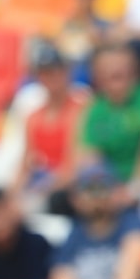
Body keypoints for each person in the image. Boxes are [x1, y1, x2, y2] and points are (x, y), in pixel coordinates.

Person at [77, 44, 140, 187]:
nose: (116, 74)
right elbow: (88, 158)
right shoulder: (95, 109)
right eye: (109, 73)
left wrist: (133, 189)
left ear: (135, 71)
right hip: (112, 185)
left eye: (121, 71)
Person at [13, 44, 90, 206]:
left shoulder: (81, 110)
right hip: (42, 184)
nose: (51, 77)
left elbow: (76, 163)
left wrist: (43, 190)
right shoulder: (33, 117)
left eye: (56, 71)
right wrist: (13, 194)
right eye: (45, 72)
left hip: (67, 188)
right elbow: (26, 163)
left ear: (67, 72)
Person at [49, 166, 140, 279]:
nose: (96, 197)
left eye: (103, 188)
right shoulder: (74, 233)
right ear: (75, 199)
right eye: (89, 189)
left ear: (117, 193)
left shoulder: (131, 223)